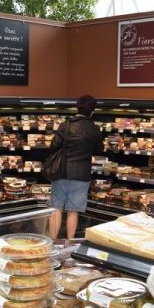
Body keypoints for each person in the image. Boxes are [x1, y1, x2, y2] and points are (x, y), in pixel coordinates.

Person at [47, 95, 103, 240]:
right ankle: (70, 242)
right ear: (92, 111)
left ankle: (53, 241)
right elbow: (99, 150)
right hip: (82, 174)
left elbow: (54, 145)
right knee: (74, 210)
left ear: (77, 107)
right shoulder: (95, 128)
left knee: (56, 208)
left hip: (61, 171)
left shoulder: (66, 125)